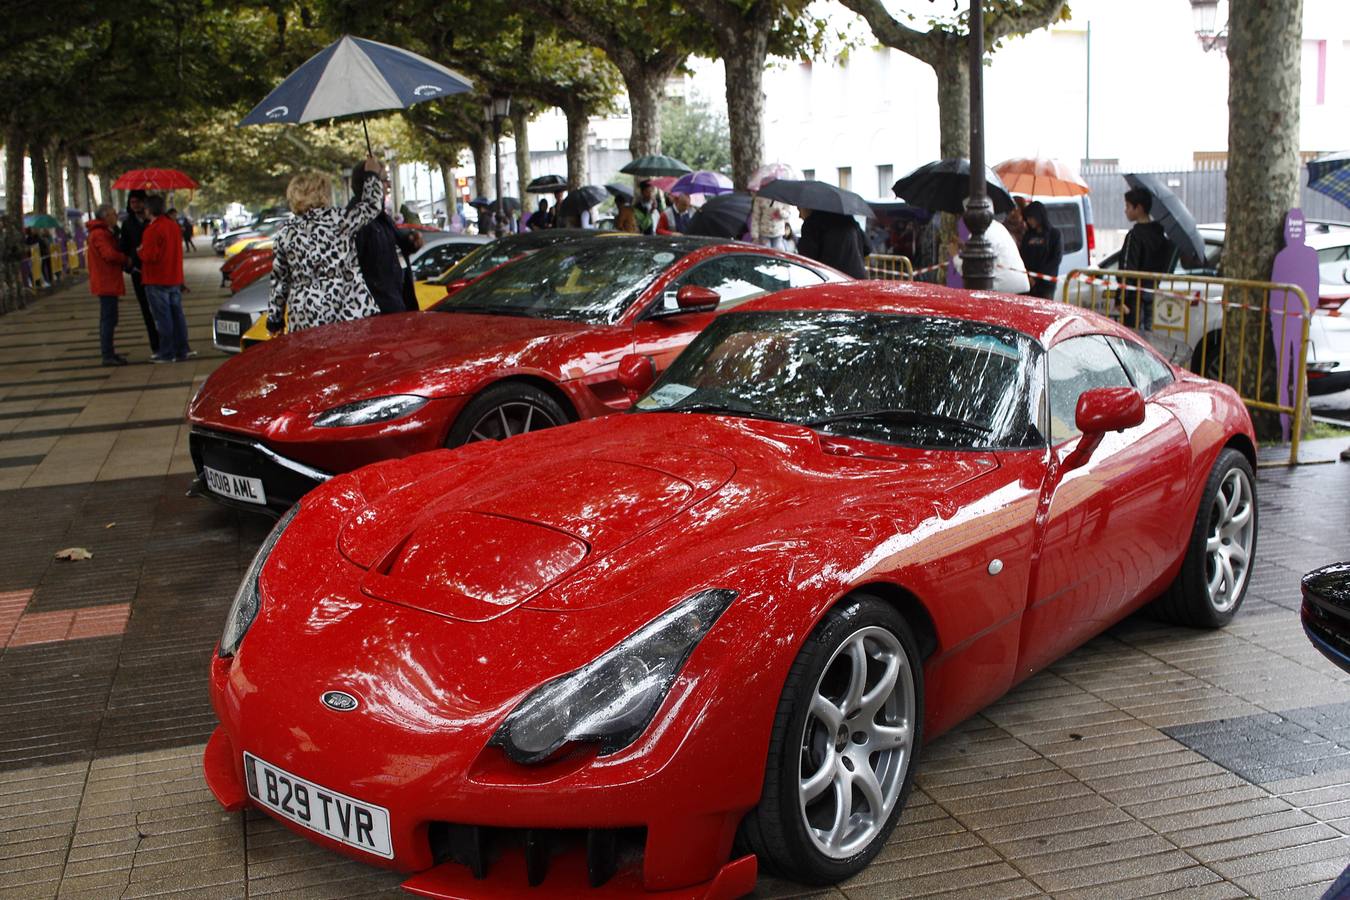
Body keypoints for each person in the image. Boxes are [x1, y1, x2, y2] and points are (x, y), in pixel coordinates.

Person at [267, 158, 386, 334]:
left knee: (313, 360)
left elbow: (280, 280)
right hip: (349, 309)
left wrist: (275, 319)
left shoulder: (286, 233)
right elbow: (371, 205)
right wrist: (371, 175)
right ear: (323, 193)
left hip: (306, 316)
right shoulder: (340, 220)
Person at [348, 161, 422, 315]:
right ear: (369, 182)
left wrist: (409, 242)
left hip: (398, 306)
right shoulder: (357, 221)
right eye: (383, 180)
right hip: (378, 313)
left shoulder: (383, 218)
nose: (388, 185)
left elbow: (393, 251)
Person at [138, 195, 191, 362]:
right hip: (174, 276)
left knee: (163, 318)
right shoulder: (173, 226)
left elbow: (150, 256)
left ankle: (167, 352)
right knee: (177, 315)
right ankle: (182, 349)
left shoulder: (152, 230)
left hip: (157, 278)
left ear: (148, 209)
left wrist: (140, 251)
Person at [1119, 187, 1173, 332]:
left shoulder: (1134, 235)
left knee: (1133, 337)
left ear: (1139, 208)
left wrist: (1121, 297)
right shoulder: (1161, 236)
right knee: (1148, 336)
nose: (1125, 210)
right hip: (1154, 291)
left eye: (1128, 206)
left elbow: (1127, 268)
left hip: (1134, 296)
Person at [87, 204, 130, 366]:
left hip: (108, 280)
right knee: (108, 319)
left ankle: (110, 352)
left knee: (111, 318)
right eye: (113, 214)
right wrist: (124, 258)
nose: (116, 217)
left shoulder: (105, 233)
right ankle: (107, 354)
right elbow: (109, 255)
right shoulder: (99, 234)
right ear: (105, 217)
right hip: (105, 281)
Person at [119, 190, 160, 356]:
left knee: (161, 310)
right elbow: (124, 247)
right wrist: (130, 265)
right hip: (138, 272)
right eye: (132, 202)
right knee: (147, 310)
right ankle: (155, 345)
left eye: (138, 201)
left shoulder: (153, 222)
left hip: (156, 271)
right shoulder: (128, 224)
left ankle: (167, 342)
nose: (135, 205)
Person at [952, 218, 1031, 294]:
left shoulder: (980, 233)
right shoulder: (997, 227)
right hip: (1018, 284)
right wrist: (966, 247)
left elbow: (972, 272)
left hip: (1003, 287)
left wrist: (955, 255)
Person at [797, 208, 867, 279]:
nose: (799, 216)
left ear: (808, 207)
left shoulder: (811, 223)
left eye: (799, 210)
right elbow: (867, 248)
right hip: (858, 279)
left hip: (831, 279)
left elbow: (805, 258)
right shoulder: (849, 219)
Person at [1018, 201, 1063, 299]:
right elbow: (1022, 256)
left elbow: (1055, 259)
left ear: (1039, 216)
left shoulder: (1054, 234)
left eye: (1031, 218)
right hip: (1028, 282)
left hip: (1046, 284)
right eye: (1027, 218)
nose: (1029, 221)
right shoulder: (1027, 235)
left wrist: (1036, 278)